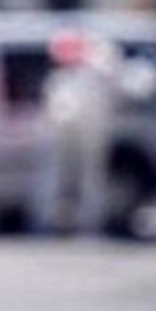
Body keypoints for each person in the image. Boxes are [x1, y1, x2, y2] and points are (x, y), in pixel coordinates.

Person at [34, 31, 121, 235]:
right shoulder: (59, 78)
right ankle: (50, 220)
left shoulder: (94, 72)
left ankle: (90, 222)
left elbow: (111, 91)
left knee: (90, 177)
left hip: (90, 134)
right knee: (56, 177)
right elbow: (55, 109)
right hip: (63, 135)